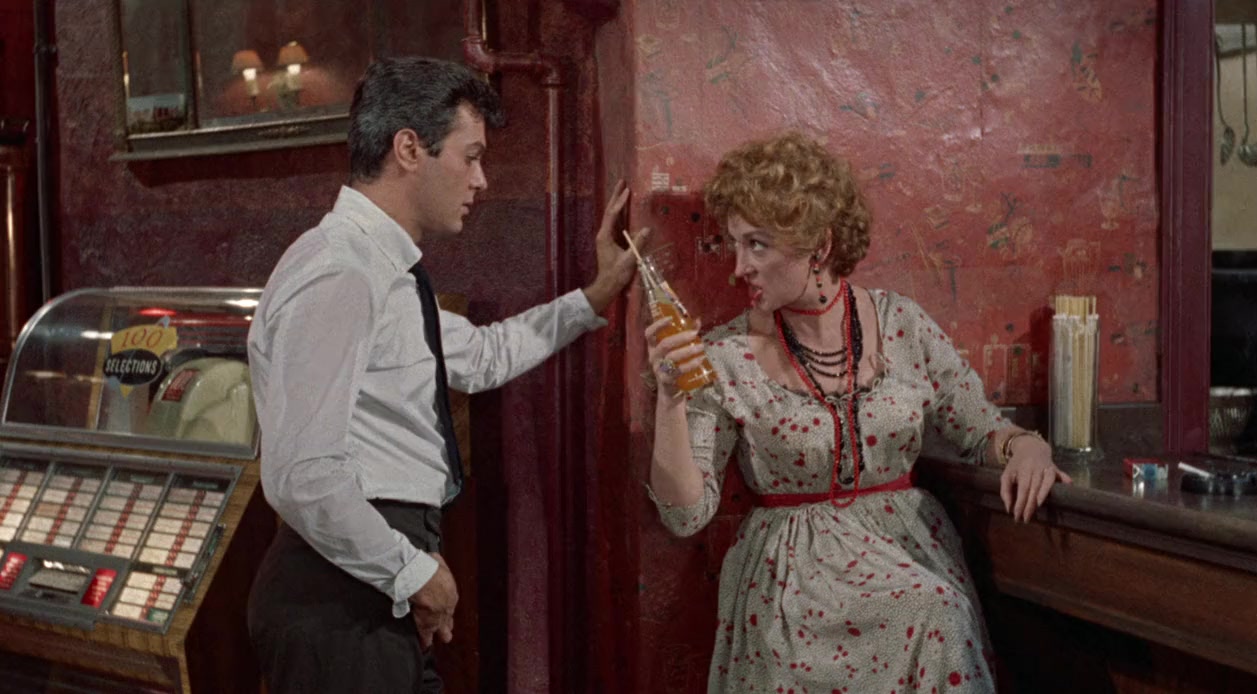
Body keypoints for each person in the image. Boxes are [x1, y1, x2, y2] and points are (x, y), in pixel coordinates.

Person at [246, 57, 643, 693]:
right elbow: (302, 474)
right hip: (341, 591)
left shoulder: (380, 269)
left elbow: (481, 357)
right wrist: (411, 572)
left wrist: (593, 298)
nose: (481, 180)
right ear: (409, 149)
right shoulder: (341, 271)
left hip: (374, 575)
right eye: (471, 156)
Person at [644, 131, 1070, 692]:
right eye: (735, 244)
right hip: (793, 591)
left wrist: (1027, 445)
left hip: (907, 559)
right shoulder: (725, 356)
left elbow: (980, 427)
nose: (738, 267)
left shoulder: (902, 325)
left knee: (936, 607)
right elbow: (685, 514)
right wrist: (670, 399)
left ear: (818, 246)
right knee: (930, 606)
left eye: (757, 245)